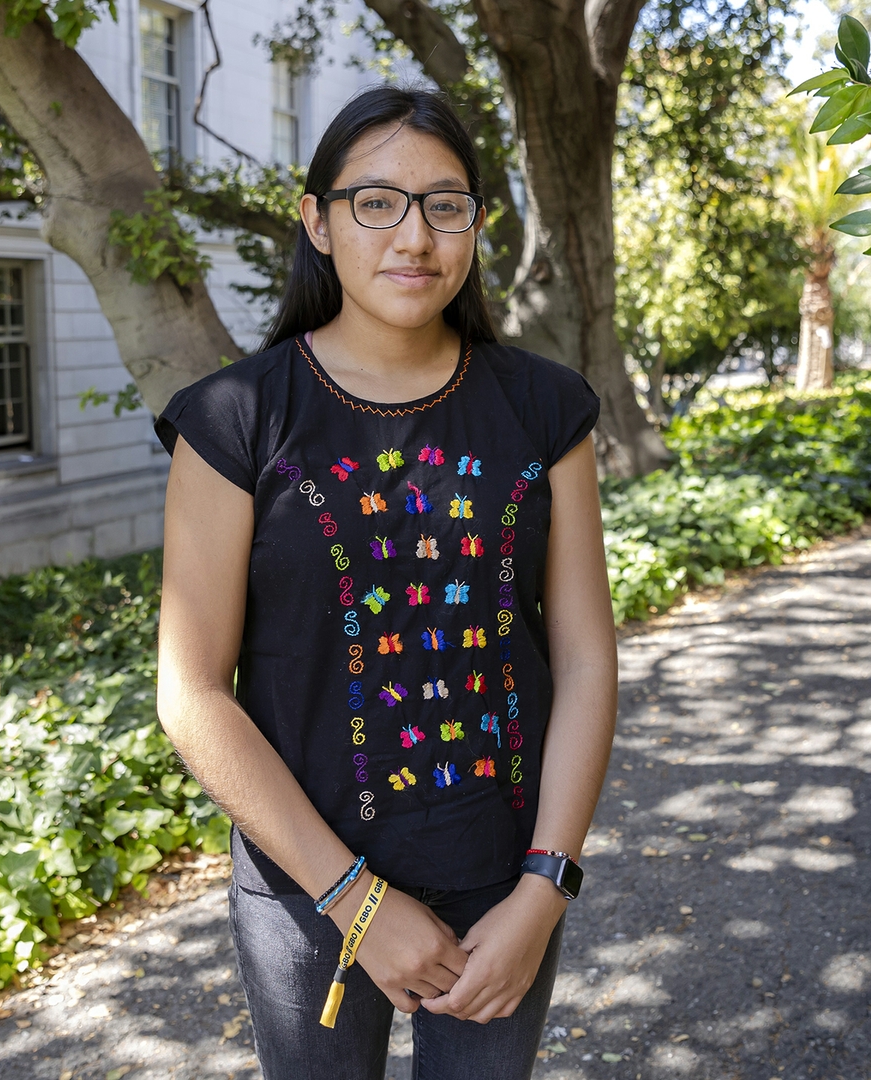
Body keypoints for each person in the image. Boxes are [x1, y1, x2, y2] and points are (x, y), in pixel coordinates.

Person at [153, 84, 618, 1080]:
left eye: (445, 204)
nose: (414, 235)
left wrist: (547, 885)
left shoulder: (544, 409)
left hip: (503, 886)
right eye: (377, 202)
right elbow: (190, 692)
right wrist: (355, 901)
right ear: (317, 221)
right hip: (305, 892)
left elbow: (584, 659)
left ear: (476, 225)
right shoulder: (235, 418)